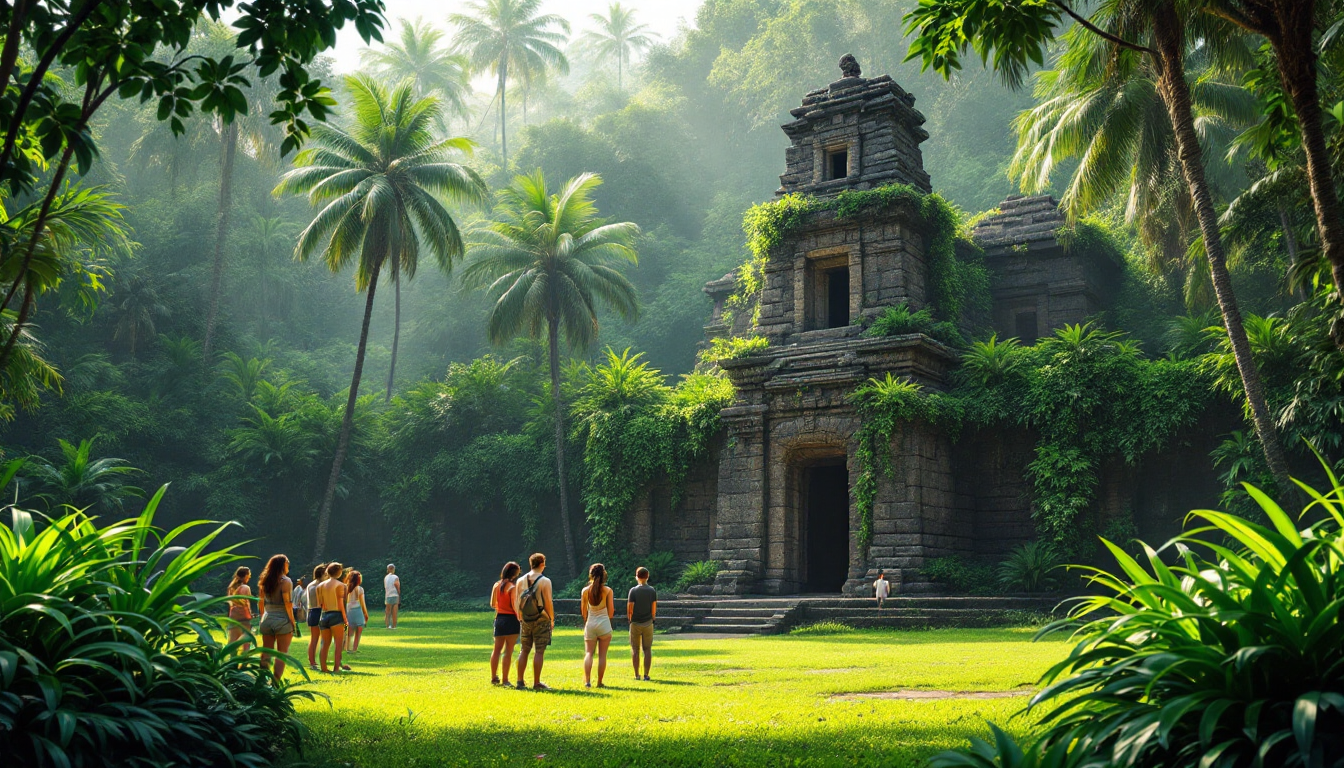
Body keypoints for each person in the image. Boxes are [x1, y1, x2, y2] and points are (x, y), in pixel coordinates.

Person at [513, 552, 554, 691]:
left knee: (524, 650)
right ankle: (536, 682)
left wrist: (520, 615)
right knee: (539, 651)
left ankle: (520, 681)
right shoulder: (545, 581)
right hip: (541, 619)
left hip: (525, 619)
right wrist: (551, 618)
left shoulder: (520, 581)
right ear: (542, 564)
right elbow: (548, 601)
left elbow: (517, 601)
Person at [256, 554, 296, 682]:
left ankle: (261, 681)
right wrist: (292, 622)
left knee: (266, 652)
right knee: (281, 654)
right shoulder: (286, 581)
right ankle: (275, 683)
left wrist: (263, 617)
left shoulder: (265, 580)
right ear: (283, 565)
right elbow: (288, 604)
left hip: (267, 618)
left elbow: (260, 601)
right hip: (282, 620)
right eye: (287, 563)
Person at [580, 563, 615, 688]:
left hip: (590, 624)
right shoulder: (608, 591)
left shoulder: (585, 591)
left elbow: (583, 611)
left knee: (589, 653)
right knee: (602, 655)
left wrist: (586, 622)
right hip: (604, 624)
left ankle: (587, 681)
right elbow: (611, 612)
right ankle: (600, 682)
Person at [489, 561, 521, 686]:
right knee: (508, 650)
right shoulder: (512, 587)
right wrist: (520, 618)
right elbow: (515, 606)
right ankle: (505, 679)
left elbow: (492, 604)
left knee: (496, 649)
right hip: (511, 619)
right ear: (514, 574)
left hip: (499, 619)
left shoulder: (496, 585)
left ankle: (493, 676)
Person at [315, 561, 350, 673]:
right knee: (338, 644)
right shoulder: (341, 585)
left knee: (325, 644)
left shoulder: (320, 586)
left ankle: (323, 667)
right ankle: (336, 668)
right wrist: (345, 619)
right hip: (336, 615)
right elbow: (341, 604)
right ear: (339, 572)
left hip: (324, 615)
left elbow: (320, 603)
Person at [627, 566, 657, 681]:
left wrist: (630, 619)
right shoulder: (652, 590)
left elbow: (630, 608)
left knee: (635, 649)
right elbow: (653, 607)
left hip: (635, 622)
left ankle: (636, 674)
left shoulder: (633, 591)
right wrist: (653, 618)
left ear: (637, 576)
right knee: (647, 649)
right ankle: (646, 674)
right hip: (648, 623)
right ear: (647, 576)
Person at [226, 566, 253, 653]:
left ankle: (232, 662)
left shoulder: (231, 587)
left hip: (233, 616)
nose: (249, 577)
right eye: (249, 575)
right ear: (245, 576)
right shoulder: (245, 588)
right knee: (246, 641)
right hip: (244, 616)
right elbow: (247, 603)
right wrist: (250, 615)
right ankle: (244, 661)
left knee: (233, 641)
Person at [305, 563, 325, 670]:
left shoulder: (311, 585)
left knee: (315, 638)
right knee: (317, 638)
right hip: (317, 611)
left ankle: (313, 661)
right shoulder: (318, 586)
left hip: (312, 611)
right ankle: (313, 661)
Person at [344, 570, 369, 653]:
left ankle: (348, 648)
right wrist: (365, 614)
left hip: (348, 609)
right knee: (359, 629)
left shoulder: (346, 588)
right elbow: (362, 603)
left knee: (350, 629)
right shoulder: (359, 589)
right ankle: (354, 648)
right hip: (357, 609)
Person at [384, 564, 401, 630]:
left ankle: (388, 626)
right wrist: (399, 593)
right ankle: (394, 626)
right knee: (394, 612)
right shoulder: (395, 577)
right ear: (393, 569)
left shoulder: (386, 577)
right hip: (395, 595)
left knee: (388, 612)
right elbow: (396, 584)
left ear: (388, 569)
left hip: (388, 595)